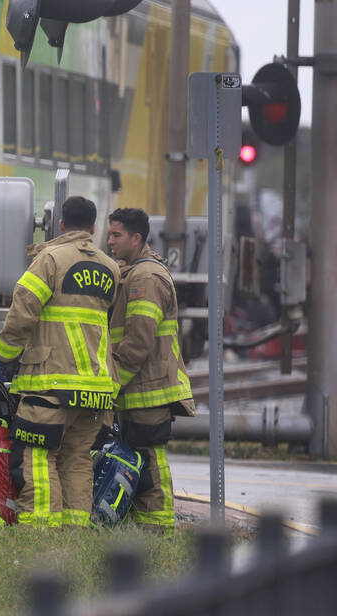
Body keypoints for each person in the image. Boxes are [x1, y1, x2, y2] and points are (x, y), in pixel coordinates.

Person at [0, 195, 121, 527]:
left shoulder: (49, 260)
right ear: (93, 227)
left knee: (37, 455)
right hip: (96, 388)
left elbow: (21, 314)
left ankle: (39, 527)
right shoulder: (110, 267)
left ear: (61, 225)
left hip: (50, 384)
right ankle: (74, 528)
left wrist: (4, 357)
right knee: (77, 458)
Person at [106, 207, 196, 530]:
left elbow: (138, 341)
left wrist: (113, 384)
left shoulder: (146, 278)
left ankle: (159, 529)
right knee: (136, 461)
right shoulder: (133, 272)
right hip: (138, 389)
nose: (110, 241)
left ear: (136, 238)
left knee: (149, 465)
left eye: (116, 235)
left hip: (148, 391)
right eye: (109, 234)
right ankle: (144, 527)